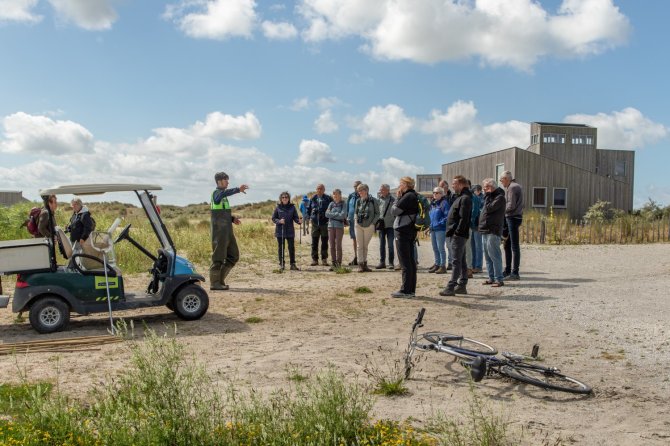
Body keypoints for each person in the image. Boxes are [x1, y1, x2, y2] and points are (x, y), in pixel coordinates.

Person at [210, 171, 249, 291]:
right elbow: (219, 198)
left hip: (228, 231)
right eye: (226, 180)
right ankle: (214, 283)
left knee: (234, 256)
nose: (228, 182)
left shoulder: (224, 196)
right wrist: (238, 189)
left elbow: (222, 212)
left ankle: (220, 281)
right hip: (219, 232)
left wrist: (232, 219)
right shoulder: (217, 193)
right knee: (218, 257)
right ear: (219, 181)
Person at [439, 175, 472, 297]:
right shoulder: (460, 197)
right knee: (461, 261)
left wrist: (457, 232)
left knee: (456, 261)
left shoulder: (466, 198)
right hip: (456, 234)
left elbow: (464, 218)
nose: (452, 186)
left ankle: (451, 286)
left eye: (454, 184)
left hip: (458, 235)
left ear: (461, 184)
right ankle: (462, 285)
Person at [391, 176, 419, 298]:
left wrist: (397, 198)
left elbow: (394, 211)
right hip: (410, 230)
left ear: (406, 185)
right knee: (411, 261)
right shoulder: (413, 195)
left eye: (400, 183)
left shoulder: (407, 196)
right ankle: (411, 289)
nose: (399, 185)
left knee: (405, 261)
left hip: (403, 231)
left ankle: (406, 290)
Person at [478, 178, 506, 287]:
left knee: (495, 256)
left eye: (486, 188)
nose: (484, 190)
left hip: (493, 230)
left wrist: (488, 195)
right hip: (485, 229)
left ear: (491, 187)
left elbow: (489, 208)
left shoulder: (499, 198)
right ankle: (491, 277)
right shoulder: (489, 197)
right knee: (487, 257)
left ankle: (499, 279)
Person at [499, 171, 523, 280]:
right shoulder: (514, 186)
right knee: (507, 245)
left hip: (512, 217)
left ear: (506, 179)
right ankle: (508, 270)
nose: (500, 182)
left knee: (513, 246)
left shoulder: (512, 187)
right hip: (514, 217)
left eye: (501, 179)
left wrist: (500, 210)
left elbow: (511, 205)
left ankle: (515, 272)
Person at [353, 184, 380, 272]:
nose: (359, 192)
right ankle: (360, 264)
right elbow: (356, 212)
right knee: (359, 246)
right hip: (359, 226)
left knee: (365, 246)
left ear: (366, 190)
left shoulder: (374, 200)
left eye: (361, 190)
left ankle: (365, 264)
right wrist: (356, 221)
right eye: (358, 190)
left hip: (369, 226)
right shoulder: (358, 201)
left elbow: (377, 213)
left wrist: (373, 223)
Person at [272, 192, 301, 270]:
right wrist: (279, 221)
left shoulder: (292, 207)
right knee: (281, 248)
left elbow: (296, 218)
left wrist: (299, 221)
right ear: (281, 199)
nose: (284, 198)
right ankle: (282, 264)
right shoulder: (277, 207)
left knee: (291, 248)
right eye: (283, 197)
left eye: (286, 197)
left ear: (289, 198)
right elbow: (274, 218)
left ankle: (292, 264)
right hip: (280, 231)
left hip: (290, 231)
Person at [307, 184, 333, 266]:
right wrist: (309, 217)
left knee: (324, 242)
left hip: (325, 223)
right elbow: (308, 209)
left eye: (321, 188)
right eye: (318, 188)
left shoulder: (328, 198)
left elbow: (333, 208)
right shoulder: (313, 198)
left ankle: (324, 259)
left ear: (324, 190)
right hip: (315, 223)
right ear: (316, 189)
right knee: (314, 242)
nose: (319, 190)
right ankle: (315, 260)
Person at [428, 187, 449, 274]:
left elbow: (447, 216)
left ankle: (442, 265)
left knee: (441, 248)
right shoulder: (433, 204)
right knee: (435, 248)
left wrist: (439, 223)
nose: (435, 194)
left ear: (442, 194)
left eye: (437, 193)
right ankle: (437, 264)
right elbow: (430, 216)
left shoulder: (444, 203)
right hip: (433, 229)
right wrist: (429, 226)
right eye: (434, 193)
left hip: (440, 229)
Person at [375, 184, 395, 270]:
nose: (381, 191)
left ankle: (391, 263)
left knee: (390, 245)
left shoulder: (393, 200)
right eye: (380, 189)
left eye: (382, 190)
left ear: (387, 190)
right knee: (381, 245)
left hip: (390, 225)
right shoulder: (378, 200)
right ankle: (382, 262)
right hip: (381, 225)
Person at [325, 189, 346, 269]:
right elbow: (326, 214)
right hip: (330, 226)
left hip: (339, 227)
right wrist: (337, 214)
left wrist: (332, 215)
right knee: (331, 246)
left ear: (340, 195)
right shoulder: (331, 203)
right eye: (334, 194)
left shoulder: (343, 204)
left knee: (338, 246)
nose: (335, 196)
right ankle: (333, 263)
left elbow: (343, 215)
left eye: (336, 194)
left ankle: (338, 263)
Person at [439, 179, 454, 270]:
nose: (440, 188)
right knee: (440, 246)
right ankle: (440, 263)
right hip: (440, 225)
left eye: (442, 186)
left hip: (449, 224)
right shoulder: (439, 196)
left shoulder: (451, 196)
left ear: (446, 186)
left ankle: (451, 262)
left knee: (449, 245)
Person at [345, 180, 361, 265]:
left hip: (361, 221)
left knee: (360, 240)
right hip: (351, 220)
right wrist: (347, 218)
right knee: (354, 239)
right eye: (354, 186)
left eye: (357, 186)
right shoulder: (351, 196)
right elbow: (347, 208)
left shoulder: (363, 195)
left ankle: (361, 258)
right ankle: (356, 257)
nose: (355, 188)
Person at [470, 184, 484, 273]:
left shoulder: (482, 199)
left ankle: (479, 266)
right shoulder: (473, 198)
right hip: (472, 225)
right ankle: (473, 265)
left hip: (478, 225)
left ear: (478, 191)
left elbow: (481, 211)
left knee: (478, 246)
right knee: (472, 246)